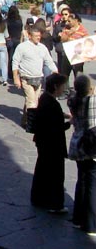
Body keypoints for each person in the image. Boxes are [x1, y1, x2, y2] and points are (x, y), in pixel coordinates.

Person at [31, 73, 70, 213]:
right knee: (55, 174)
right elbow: (57, 127)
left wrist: (63, 116)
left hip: (43, 141)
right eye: (62, 86)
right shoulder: (52, 104)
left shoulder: (44, 98)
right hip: (53, 144)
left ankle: (39, 198)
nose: (64, 89)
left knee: (43, 170)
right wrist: (69, 122)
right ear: (55, 86)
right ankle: (55, 204)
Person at [12, 26, 57, 133]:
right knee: (32, 103)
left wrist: (55, 71)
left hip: (38, 78)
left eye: (39, 36)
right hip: (26, 78)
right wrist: (16, 78)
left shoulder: (42, 47)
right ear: (30, 36)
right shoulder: (22, 47)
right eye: (36, 36)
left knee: (32, 101)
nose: (38, 38)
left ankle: (24, 120)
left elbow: (49, 61)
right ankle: (31, 125)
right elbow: (15, 62)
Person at [70, 74, 96, 235]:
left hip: (78, 144)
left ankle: (78, 218)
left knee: (82, 181)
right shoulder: (91, 101)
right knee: (92, 183)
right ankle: (91, 223)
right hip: (92, 145)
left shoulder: (73, 100)